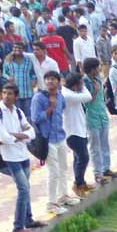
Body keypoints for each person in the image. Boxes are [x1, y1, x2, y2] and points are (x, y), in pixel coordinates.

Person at [0, 83, 41, 232]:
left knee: (26, 187)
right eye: (4, 93)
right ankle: (17, 227)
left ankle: (28, 219)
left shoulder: (18, 112)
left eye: (10, 93)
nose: (6, 96)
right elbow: (3, 137)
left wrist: (17, 135)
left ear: (16, 96)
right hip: (9, 156)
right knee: (23, 188)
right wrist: (20, 135)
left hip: (22, 154)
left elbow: (31, 132)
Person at [32, 70, 79, 215]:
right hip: (47, 139)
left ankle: (63, 195)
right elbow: (35, 118)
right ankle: (51, 203)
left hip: (60, 136)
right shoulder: (39, 98)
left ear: (59, 82)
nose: (49, 82)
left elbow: (62, 110)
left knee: (63, 167)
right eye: (47, 79)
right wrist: (49, 109)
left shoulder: (60, 96)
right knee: (53, 171)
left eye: (53, 79)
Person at [83, 58, 116, 185]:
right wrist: (95, 91)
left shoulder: (97, 80)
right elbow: (86, 102)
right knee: (95, 147)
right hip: (92, 117)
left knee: (104, 144)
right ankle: (98, 173)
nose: (99, 69)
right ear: (92, 69)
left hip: (102, 115)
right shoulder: (85, 82)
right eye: (97, 67)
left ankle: (106, 168)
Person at [62, 72, 94, 197]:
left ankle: (81, 182)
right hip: (73, 132)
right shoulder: (67, 95)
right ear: (75, 85)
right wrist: (83, 85)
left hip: (79, 129)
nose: (83, 85)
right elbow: (88, 97)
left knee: (78, 158)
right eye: (81, 83)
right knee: (83, 158)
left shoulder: (71, 92)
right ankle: (77, 184)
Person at [2, 42, 37, 113]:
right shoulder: (8, 61)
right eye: (15, 48)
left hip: (27, 92)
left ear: (23, 49)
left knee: (28, 114)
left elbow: (33, 73)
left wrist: (34, 80)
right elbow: (4, 73)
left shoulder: (28, 61)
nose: (17, 49)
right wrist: (8, 77)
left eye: (19, 48)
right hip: (14, 93)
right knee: (17, 114)